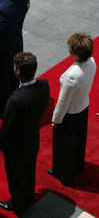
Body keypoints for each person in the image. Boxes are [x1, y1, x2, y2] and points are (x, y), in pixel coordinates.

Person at [0, 52, 50, 215]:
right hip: (32, 138)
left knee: (15, 175)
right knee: (29, 169)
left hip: (16, 146)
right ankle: (28, 195)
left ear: (18, 71)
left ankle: (17, 203)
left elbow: (8, 126)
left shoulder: (16, 100)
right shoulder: (44, 85)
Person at [49, 33, 96, 186]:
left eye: (71, 50)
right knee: (79, 140)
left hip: (70, 114)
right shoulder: (92, 62)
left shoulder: (71, 76)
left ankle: (64, 174)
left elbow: (63, 102)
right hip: (84, 105)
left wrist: (56, 120)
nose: (69, 51)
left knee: (64, 146)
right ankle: (78, 166)